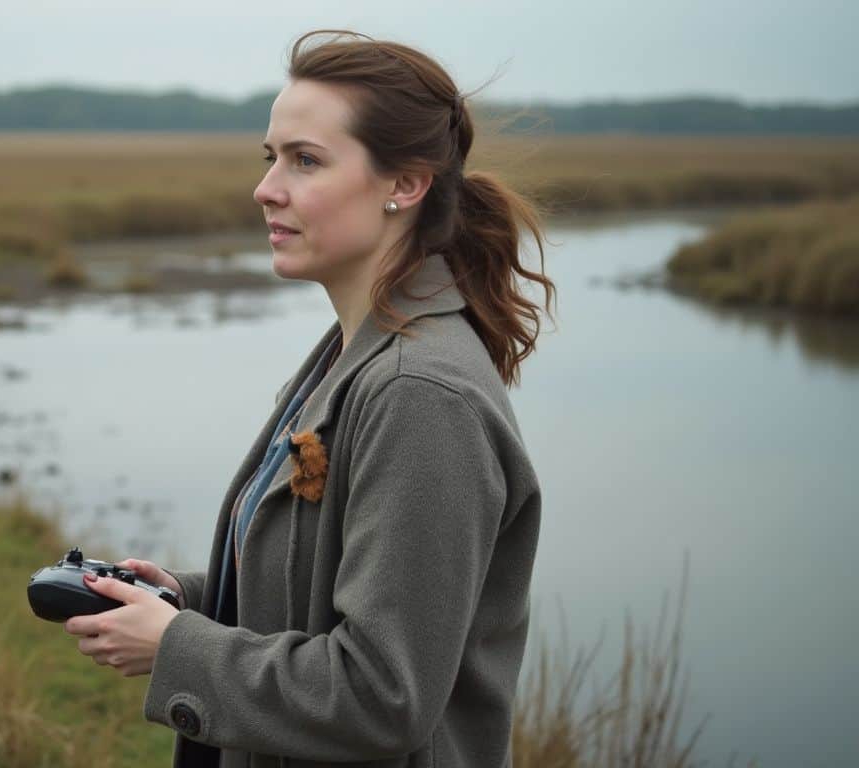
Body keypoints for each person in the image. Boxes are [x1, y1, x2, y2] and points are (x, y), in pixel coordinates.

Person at [63, 28, 556, 768]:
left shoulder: (420, 394)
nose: (267, 188)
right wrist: (190, 598)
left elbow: (382, 694)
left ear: (406, 184)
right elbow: (328, 590)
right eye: (271, 159)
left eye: (306, 161)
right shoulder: (359, 347)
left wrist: (178, 648)